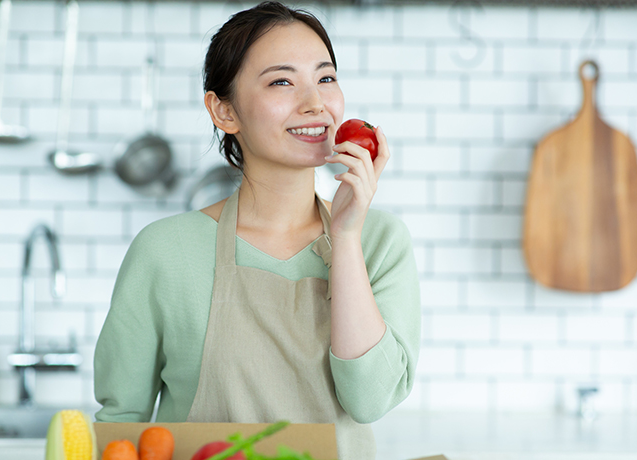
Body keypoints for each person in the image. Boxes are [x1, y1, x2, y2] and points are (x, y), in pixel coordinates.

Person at [93, 2, 421, 459]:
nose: (315, 103)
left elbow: (370, 401)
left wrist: (346, 238)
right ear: (224, 111)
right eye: (281, 81)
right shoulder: (164, 251)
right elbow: (121, 427)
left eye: (325, 78)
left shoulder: (379, 241)